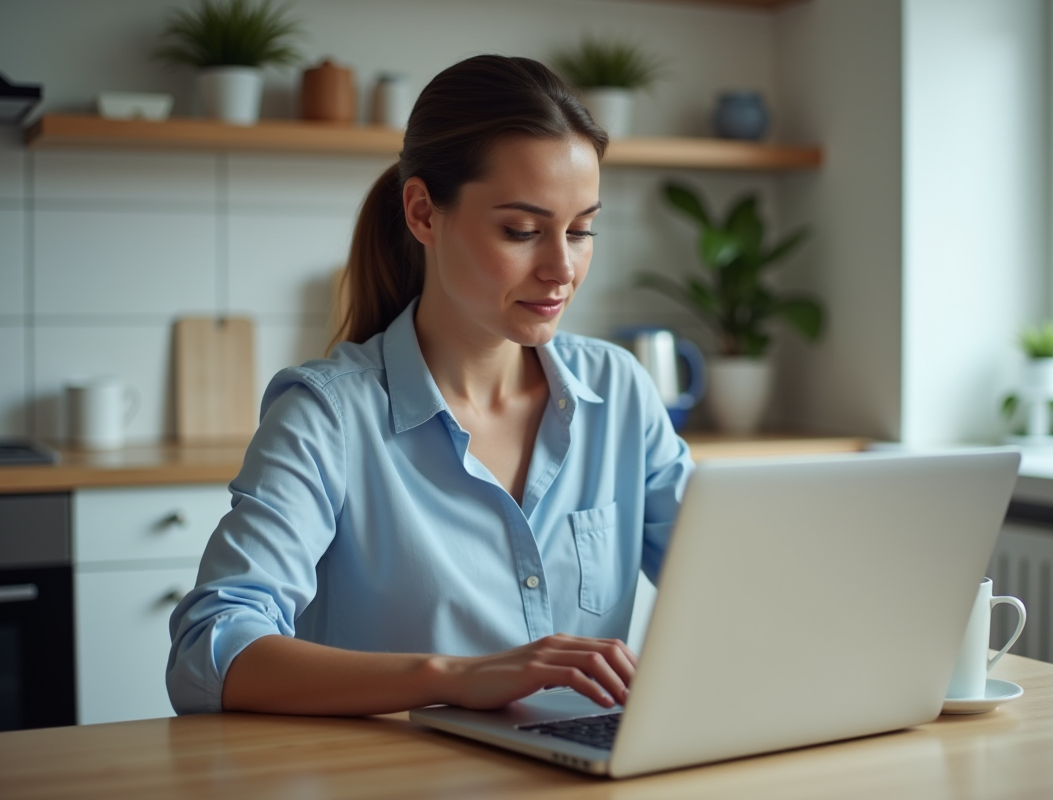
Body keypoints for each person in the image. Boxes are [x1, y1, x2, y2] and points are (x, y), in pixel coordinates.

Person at [166, 55, 694, 717]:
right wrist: (451, 676)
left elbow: (727, 579)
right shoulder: (327, 417)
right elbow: (207, 653)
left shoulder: (618, 390)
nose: (562, 267)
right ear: (423, 213)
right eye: (522, 231)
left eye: (582, 229)